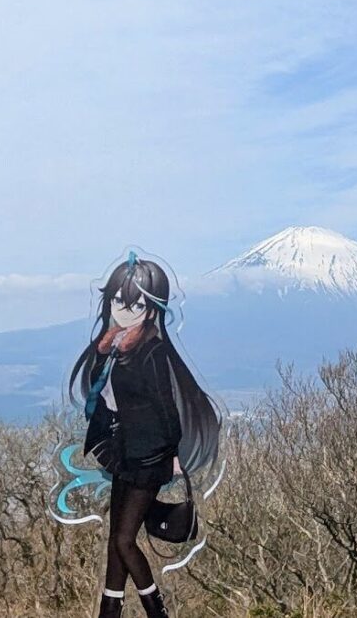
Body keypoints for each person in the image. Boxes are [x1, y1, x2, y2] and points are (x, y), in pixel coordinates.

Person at [68, 253, 222, 618]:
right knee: (116, 538)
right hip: (124, 453)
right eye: (118, 300)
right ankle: (110, 610)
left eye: (135, 302)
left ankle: (157, 609)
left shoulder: (151, 351)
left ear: (151, 309)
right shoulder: (112, 347)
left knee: (124, 539)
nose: (124, 309)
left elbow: (167, 406)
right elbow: (103, 398)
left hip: (149, 457)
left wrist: (172, 455)